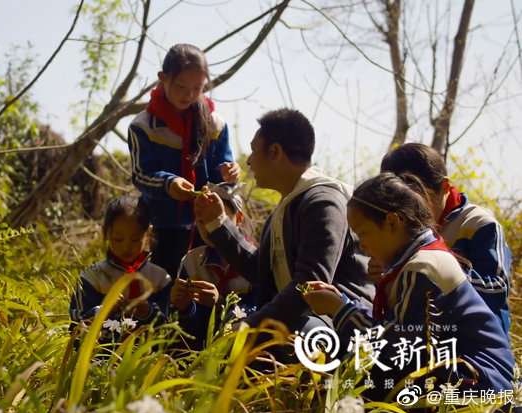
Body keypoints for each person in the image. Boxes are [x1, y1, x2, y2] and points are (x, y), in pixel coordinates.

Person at [302, 173, 514, 401]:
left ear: (393, 222)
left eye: (364, 233)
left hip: (479, 382)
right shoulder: (419, 258)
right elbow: (394, 332)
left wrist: (340, 309)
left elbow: (393, 350)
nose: (362, 245)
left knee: (347, 377)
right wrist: (342, 303)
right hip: (477, 376)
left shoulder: (422, 268)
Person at [194, 108, 374, 339]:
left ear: (275, 152)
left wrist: (251, 327)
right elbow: (260, 270)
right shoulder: (288, 206)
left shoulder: (323, 203)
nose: (248, 161)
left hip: (337, 328)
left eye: (253, 151)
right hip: (303, 321)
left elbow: (308, 286)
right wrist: (218, 223)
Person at [128, 43, 240, 278]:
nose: (188, 95)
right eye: (180, 86)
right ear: (162, 78)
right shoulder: (144, 126)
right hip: (162, 225)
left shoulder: (215, 125)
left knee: (205, 283)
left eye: (197, 88)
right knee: (163, 285)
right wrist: (169, 184)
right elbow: (141, 174)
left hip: (208, 226)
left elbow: (224, 173)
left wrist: (229, 174)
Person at [380, 143, 512, 333]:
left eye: (417, 199)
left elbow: (496, 290)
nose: (409, 210)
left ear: (444, 187)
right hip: (424, 343)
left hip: (479, 348)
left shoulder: (478, 225)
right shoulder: (402, 228)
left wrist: (434, 265)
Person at [170, 182, 257, 349]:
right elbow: (188, 330)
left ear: (238, 219)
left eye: (214, 218)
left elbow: (260, 311)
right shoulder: (192, 261)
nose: (208, 228)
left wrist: (221, 305)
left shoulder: (255, 260)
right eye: (201, 221)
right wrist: (183, 307)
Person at [69, 196, 171, 324]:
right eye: (118, 239)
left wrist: (147, 311)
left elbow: (170, 323)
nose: (126, 247)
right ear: (106, 233)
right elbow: (76, 319)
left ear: (148, 234)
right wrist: (104, 310)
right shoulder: (93, 277)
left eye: (135, 240)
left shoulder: (159, 278)